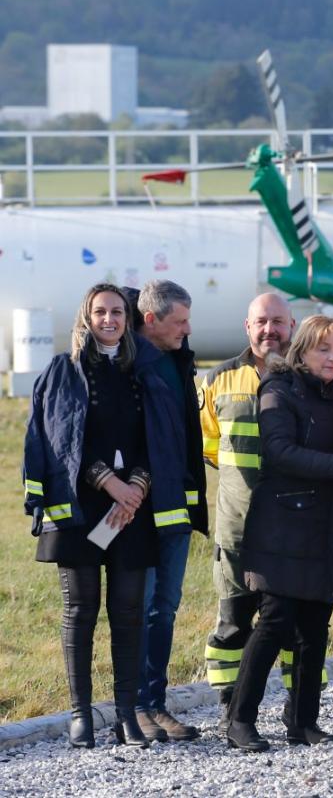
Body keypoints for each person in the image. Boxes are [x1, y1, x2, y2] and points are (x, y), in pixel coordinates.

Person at [23, 284, 191, 748]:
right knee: (80, 612)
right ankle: (81, 715)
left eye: (117, 311)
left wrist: (136, 485)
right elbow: (61, 438)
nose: (110, 319)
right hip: (81, 512)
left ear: (128, 317)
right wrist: (108, 482)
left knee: (129, 613)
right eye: (100, 312)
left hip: (130, 511)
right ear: (87, 316)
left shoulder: (141, 372)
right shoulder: (66, 369)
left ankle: (125, 717)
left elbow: (157, 439)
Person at [225, 315, 333, 751]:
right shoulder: (278, 390)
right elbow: (280, 452)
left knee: (316, 626)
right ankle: (240, 720)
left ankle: (303, 721)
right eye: (324, 349)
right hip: (282, 525)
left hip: (324, 523)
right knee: (275, 621)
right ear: (301, 350)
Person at [199, 293, 296, 731]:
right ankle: (229, 706)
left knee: (294, 621)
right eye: (261, 321)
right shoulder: (219, 378)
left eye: (278, 321)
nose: (269, 330)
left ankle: (300, 711)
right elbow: (208, 445)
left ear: (292, 326)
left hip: (293, 523)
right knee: (233, 622)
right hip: (237, 525)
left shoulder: (305, 375)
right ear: (247, 326)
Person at [133, 281, 209, 743]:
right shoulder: (128, 364)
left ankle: (155, 703)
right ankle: (135, 706)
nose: (187, 329)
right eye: (179, 321)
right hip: (138, 509)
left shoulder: (179, 359)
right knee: (140, 608)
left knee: (164, 608)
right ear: (151, 320)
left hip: (174, 509)